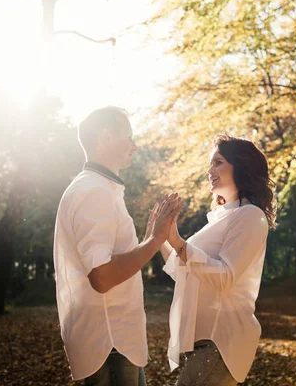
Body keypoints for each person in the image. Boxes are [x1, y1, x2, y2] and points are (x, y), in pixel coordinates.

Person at [53, 106, 179, 386]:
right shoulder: (94, 191)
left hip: (116, 342)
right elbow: (102, 276)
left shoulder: (99, 187)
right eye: (129, 137)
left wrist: (149, 237)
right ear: (106, 138)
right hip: (108, 344)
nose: (135, 146)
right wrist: (155, 240)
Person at [159, 135, 277, 385]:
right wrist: (160, 236)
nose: (209, 170)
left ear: (241, 166)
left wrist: (177, 241)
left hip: (222, 341)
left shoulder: (250, 216)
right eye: (210, 164)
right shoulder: (220, 218)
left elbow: (225, 277)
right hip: (203, 341)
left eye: (218, 162)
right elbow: (181, 269)